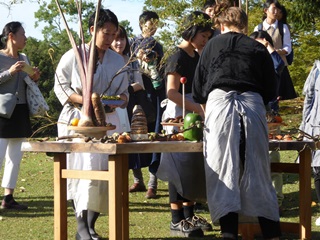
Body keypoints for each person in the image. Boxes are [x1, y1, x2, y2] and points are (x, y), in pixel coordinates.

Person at [193, 5, 281, 240]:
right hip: (251, 108)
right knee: (259, 170)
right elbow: (271, 90)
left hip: (220, 107)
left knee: (222, 169)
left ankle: (229, 233)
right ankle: (272, 234)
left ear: (222, 26)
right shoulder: (257, 47)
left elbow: (199, 89)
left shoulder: (211, 45)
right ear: (244, 25)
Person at [54, 9, 128, 240]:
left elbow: (124, 92)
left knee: (103, 172)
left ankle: (92, 225)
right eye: (106, 34)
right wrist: (86, 100)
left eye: (114, 34)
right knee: (84, 171)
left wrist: (118, 101)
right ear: (92, 30)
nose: (111, 39)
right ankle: (81, 227)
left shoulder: (117, 59)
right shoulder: (74, 55)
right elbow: (61, 86)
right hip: (79, 122)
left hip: (107, 122)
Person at [156, 11, 213, 237]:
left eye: (208, 37)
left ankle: (189, 215)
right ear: (191, 31)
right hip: (178, 114)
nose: (205, 41)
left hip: (195, 112)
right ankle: (175, 219)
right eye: (203, 35)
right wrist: (197, 108)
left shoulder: (197, 56)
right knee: (176, 167)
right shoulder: (177, 55)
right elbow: (171, 91)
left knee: (192, 165)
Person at [0, 21, 40, 210]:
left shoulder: (25, 58)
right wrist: (10, 72)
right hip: (2, 112)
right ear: (11, 36)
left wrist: (34, 76)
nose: (25, 37)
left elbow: (28, 83)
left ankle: (8, 197)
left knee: (15, 157)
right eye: (22, 34)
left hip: (21, 111)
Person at [128, 10, 166, 199]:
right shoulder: (131, 43)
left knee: (154, 133)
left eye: (155, 24)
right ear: (142, 24)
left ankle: (152, 183)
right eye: (149, 23)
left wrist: (151, 59)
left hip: (155, 91)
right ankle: (137, 179)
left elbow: (161, 68)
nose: (152, 27)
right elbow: (127, 64)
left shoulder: (159, 45)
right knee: (134, 130)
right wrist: (138, 56)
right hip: (136, 91)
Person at [249, 30, 285, 216]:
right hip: (252, 113)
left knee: (273, 159)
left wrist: (269, 46)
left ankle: (276, 199)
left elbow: (279, 66)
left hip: (270, 115)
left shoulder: (271, 60)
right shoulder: (249, 61)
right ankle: (257, 200)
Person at [254, 0, 296, 100]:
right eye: (274, 9)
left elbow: (287, 48)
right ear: (266, 10)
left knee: (283, 99)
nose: (276, 12)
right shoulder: (258, 28)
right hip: (264, 66)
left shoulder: (283, 27)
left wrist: (273, 51)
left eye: (278, 9)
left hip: (281, 66)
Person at [298, 60, 320, 226]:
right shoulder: (317, 68)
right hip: (317, 125)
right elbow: (309, 97)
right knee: (318, 168)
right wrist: (305, 123)